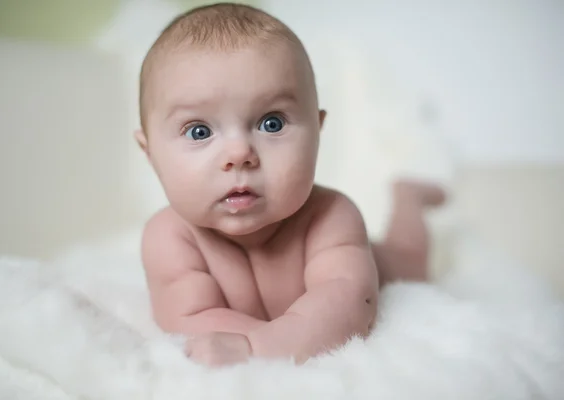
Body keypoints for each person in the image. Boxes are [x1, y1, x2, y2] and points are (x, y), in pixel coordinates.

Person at [134, 2, 445, 367]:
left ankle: (408, 198)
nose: (239, 154)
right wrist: (282, 337)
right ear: (150, 152)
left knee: (412, 260)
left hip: (380, 263)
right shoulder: (170, 237)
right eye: (199, 131)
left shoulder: (331, 216)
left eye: (272, 123)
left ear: (318, 130)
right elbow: (190, 320)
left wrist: (260, 349)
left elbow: (351, 304)